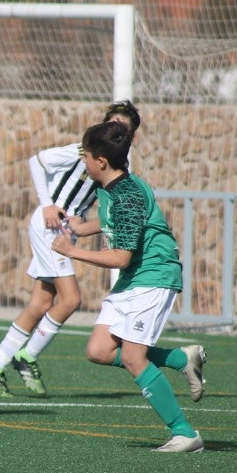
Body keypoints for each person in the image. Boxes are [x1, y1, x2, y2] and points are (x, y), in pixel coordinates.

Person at [50, 119, 207, 453]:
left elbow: (121, 257)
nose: (84, 162)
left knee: (134, 357)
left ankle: (184, 433)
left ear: (100, 162)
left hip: (153, 275)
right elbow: (112, 222)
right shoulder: (111, 187)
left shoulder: (129, 195)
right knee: (98, 350)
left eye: (87, 156)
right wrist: (83, 228)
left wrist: (72, 250)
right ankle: (180, 359)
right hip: (134, 277)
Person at [0, 101, 155, 397]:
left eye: (123, 129)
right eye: (112, 124)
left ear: (131, 136)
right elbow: (37, 161)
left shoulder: (123, 169)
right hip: (51, 226)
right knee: (71, 299)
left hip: (67, 230)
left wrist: (92, 227)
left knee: (41, 303)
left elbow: (111, 211)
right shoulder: (81, 152)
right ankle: (27, 356)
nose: (116, 131)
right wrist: (47, 204)